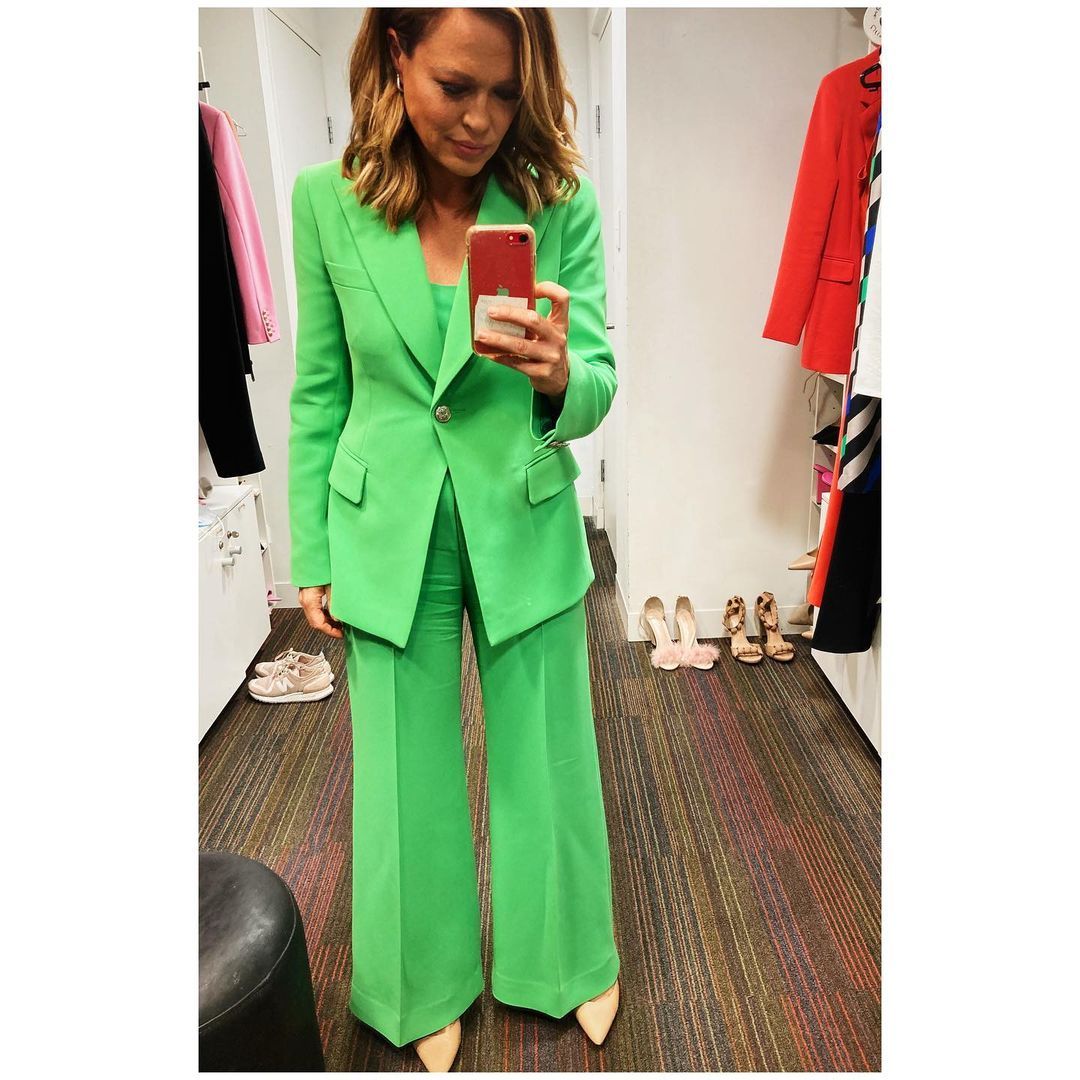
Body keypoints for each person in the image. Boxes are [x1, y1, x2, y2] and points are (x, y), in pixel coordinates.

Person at [287, 7, 621, 1069]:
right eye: (456, 86)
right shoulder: (325, 202)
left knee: (548, 754)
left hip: (521, 512)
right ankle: (417, 981)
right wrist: (312, 553)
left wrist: (559, 376)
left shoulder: (557, 202)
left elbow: (601, 377)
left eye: (507, 93)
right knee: (400, 772)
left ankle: (566, 957)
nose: (481, 118)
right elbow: (320, 390)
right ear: (397, 56)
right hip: (385, 524)